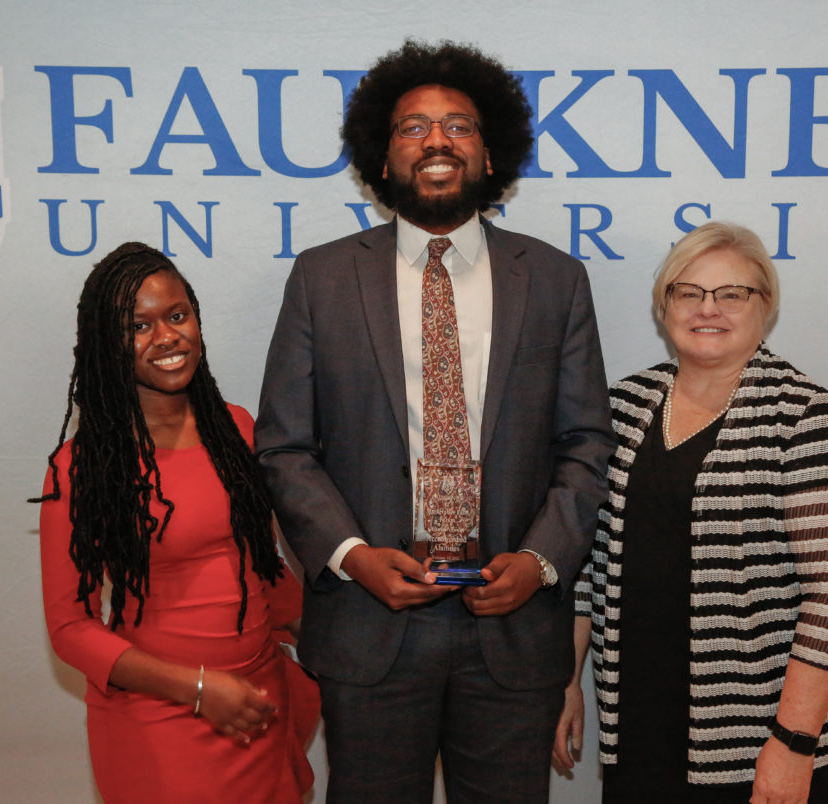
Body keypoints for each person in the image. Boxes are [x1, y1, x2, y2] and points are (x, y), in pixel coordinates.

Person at [255, 40, 614, 803]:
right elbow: (285, 447)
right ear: (381, 162)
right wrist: (353, 556)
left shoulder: (554, 279)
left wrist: (540, 562)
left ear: (491, 154)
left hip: (510, 622)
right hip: (371, 621)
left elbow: (585, 444)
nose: (438, 141)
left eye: (459, 125)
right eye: (413, 128)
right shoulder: (322, 278)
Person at [555, 221, 828, 803]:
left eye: (732, 294)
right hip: (640, 728)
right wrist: (566, 683)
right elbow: (583, 572)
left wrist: (793, 742)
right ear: (665, 305)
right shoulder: (620, 407)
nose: (709, 309)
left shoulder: (805, 417)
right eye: (688, 291)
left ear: (764, 306)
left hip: (758, 742)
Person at [34, 243, 319, 803]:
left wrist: (341, 640)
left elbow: (262, 568)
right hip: (160, 716)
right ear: (105, 344)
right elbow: (70, 628)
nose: (166, 337)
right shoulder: (82, 467)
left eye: (177, 315)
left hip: (256, 703)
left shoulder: (236, 427)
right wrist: (196, 689)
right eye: (137, 326)